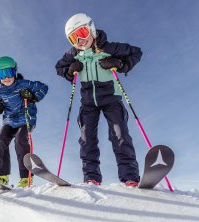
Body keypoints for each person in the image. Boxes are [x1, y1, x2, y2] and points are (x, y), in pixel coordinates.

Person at [55, 13, 142, 187]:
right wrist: (70, 69)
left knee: (120, 135)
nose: (80, 40)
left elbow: (136, 52)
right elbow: (59, 67)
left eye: (82, 33)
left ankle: (130, 176)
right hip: (88, 101)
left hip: (111, 98)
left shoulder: (109, 47)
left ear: (91, 28)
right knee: (87, 138)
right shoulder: (74, 53)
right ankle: (91, 177)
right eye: (74, 38)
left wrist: (119, 63)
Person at [0, 56, 48, 188]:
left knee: (20, 140)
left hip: (26, 119)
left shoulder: (24, 84)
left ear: (15, 71)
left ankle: (26, 178)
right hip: (9, 121)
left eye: (9, 72)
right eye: (1, 74)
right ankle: (2, 177)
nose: (6, 77)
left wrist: (32, 96)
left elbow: (43, 87)